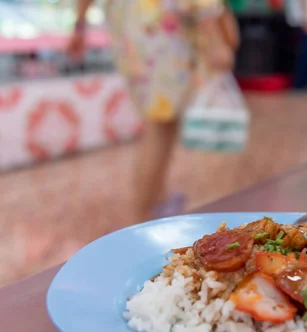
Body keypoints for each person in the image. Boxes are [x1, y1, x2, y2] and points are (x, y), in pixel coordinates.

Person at [67, 1, 238, 222]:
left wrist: (80, 24)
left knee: (160, 121)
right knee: (159, 125)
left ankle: (156, 203)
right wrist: (214, 37)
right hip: (162, 28)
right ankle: (144, 215)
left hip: (130, 28)